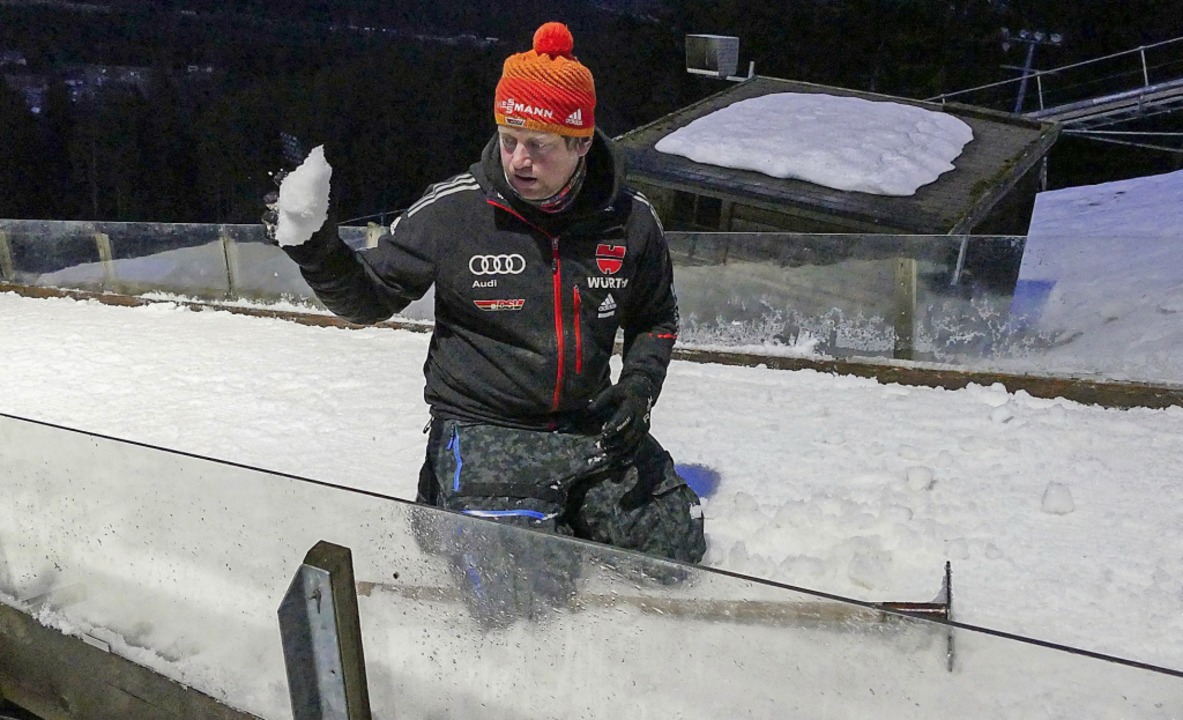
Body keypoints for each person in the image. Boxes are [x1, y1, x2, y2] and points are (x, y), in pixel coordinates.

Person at [264, 22, 705, 571]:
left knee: (676, 552)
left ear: (582, 142)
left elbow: (655, 317)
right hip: (483, 423)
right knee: (518, 590)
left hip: (585, 421)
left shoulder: (631, 221)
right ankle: (452, 501)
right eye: (509, 138)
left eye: (538, 146)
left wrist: (638, 389)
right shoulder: (454, 212)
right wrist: (317, 251)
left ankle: (565, 512)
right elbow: (368, 297)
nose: (519, 159)